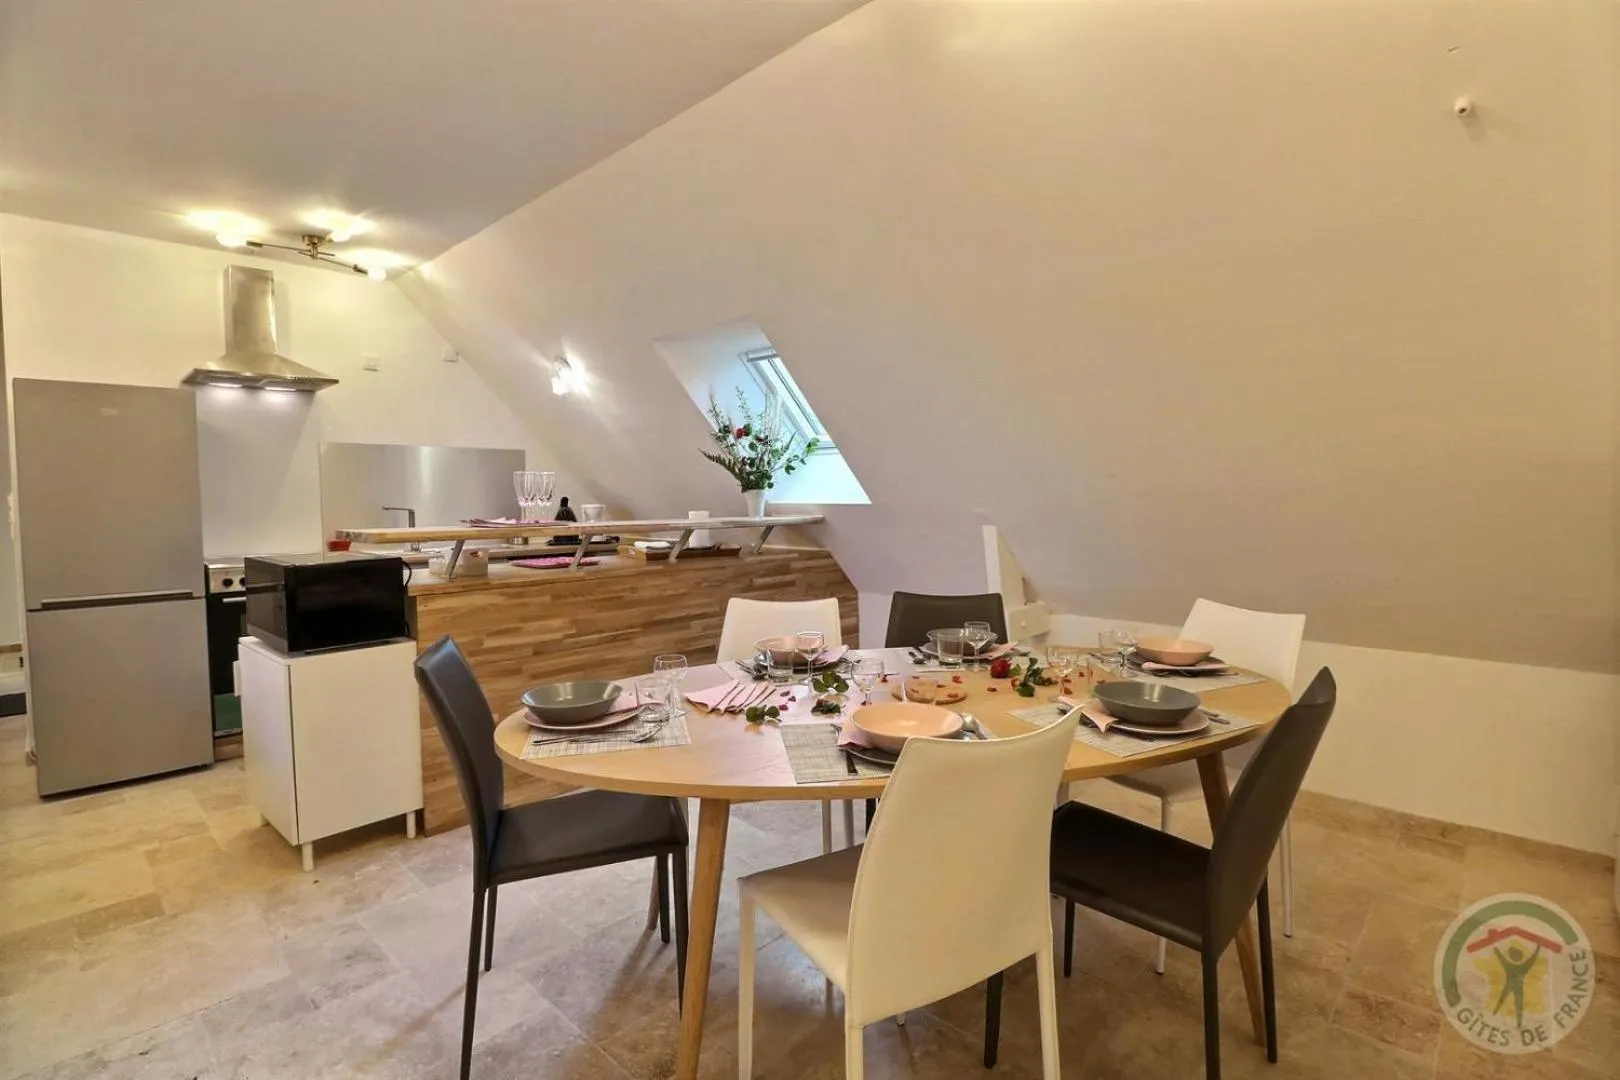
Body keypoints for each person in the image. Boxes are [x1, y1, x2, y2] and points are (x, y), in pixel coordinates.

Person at [1491, 942, 1542, 1029]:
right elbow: (1501, 958)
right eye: (1513, 954)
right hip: (1511, 986)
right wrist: (1496, 950)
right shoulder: (1513, 965)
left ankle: (1518, 1023)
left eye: (1515, 954)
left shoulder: (1522, 966)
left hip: (1517, 988)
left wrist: (1538, 949)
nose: (1514, 956)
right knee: (1503, 999)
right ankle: (1495, 1012)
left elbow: (1532, 959)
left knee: (1518, 1005)